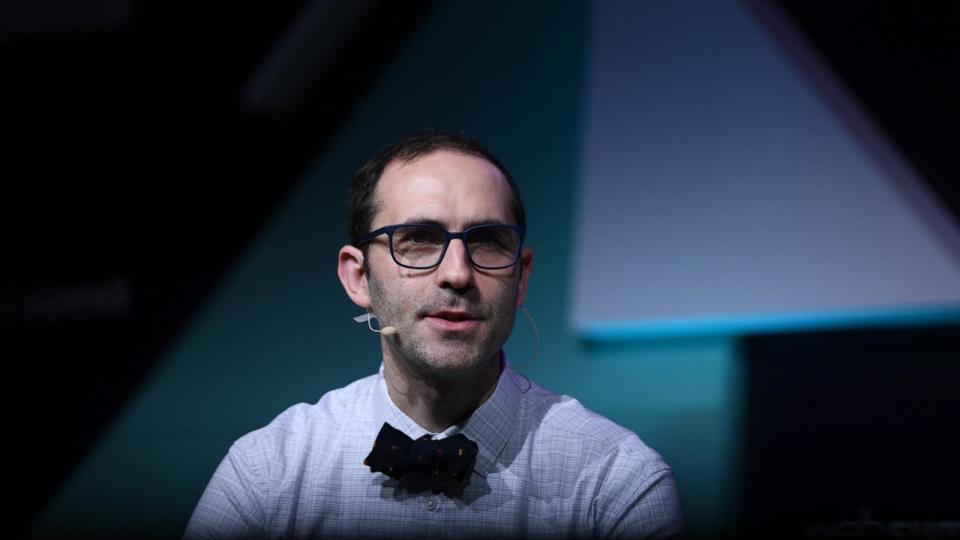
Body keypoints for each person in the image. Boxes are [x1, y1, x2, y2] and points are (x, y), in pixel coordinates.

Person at [184, 130, 685, 539]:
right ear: (359, 277)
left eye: (487, 242)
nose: (458, 274)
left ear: (522, 277)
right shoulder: (268, 472)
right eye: (419, 240)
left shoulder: (616, 480)